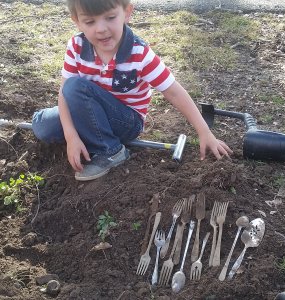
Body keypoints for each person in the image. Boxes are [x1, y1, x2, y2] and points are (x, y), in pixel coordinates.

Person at [32, 0, 233, 181]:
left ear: (127, 12)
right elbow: (63, 94)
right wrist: (71, 136)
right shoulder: (76, 46)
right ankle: (90, 135)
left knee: (74, 87)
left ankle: (110, 150)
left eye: (110, 18)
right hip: (90, 110)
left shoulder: (139, 54)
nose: (101, 29)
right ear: (77, 21)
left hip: (126, 122)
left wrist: (204, 132)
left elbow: (174, 92)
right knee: (43, 126)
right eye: (90, 22)